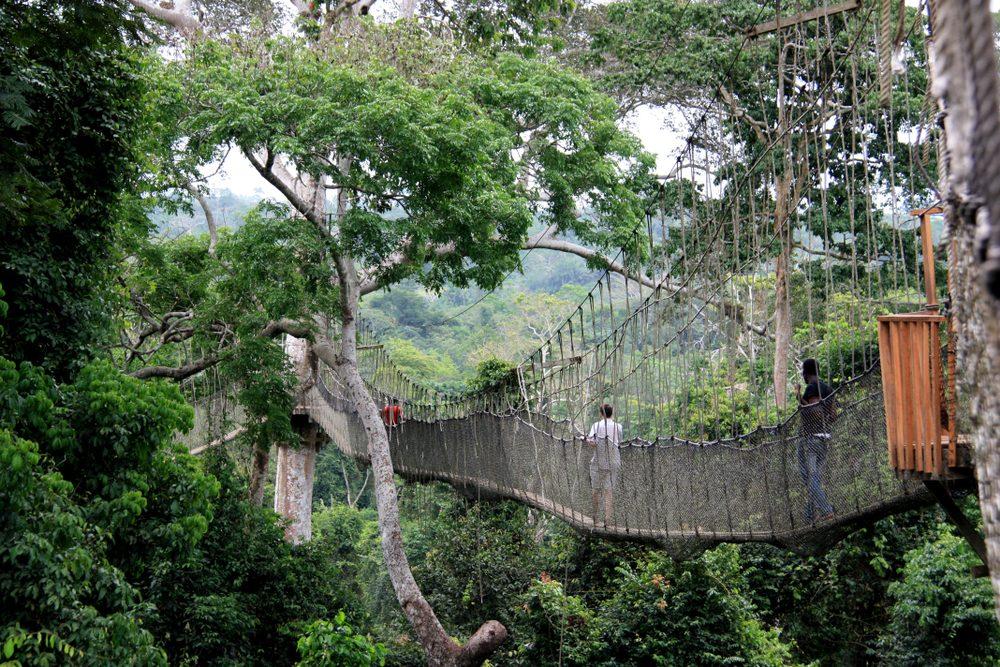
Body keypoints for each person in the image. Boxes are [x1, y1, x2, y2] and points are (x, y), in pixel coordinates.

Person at [797, 358, 835, 522]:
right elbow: (833, 416)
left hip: (811, 440)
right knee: (814, 479)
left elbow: (815, 412)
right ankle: (810, 516)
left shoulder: (812, 387)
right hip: (824, 439)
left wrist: (799, 398)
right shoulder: (828, 389)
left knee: (807, 477)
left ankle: (826, 510)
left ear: (805, 373)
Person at [587, 403, 623, 525]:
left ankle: (595, 518)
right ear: (612, 413)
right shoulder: (619, 427)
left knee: (596, 490)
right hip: (613, 462)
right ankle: (607, 520)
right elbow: (619, 442)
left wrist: (587, 439)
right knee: (609, 491)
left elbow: (592, 442)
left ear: (601, 414)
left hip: (598, 463)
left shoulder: (596, 425)